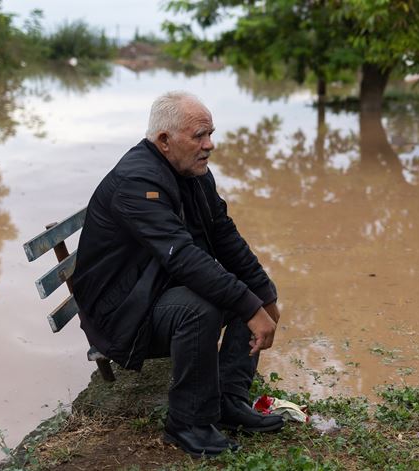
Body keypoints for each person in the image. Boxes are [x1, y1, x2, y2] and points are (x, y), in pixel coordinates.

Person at [71, 91, 284, 457]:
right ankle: (188, 424)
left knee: (243, 291)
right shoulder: (136, 183)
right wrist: (250, 308)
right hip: (119, 313)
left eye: (211, 134)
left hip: (152, 287)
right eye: (199, 135)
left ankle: (229, 402)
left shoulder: (192, 172)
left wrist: (263, 294)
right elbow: (183, 257)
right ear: (165, 141)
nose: (210, 145)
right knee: (200, 307)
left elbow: (223, 233)